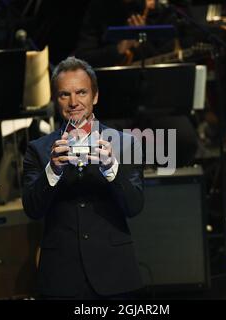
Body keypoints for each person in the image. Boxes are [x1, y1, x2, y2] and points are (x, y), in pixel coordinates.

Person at [22, 56, 144, 299]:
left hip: (115, 276)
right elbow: (33, 210)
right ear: (56, 100)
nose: (74, 102)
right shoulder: (38, 149)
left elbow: (134, 206)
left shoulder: (125, 144)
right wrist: (52, 172)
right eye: (64, 94)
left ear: (95, 96)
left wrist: (112, 170)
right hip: (60, 278)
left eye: (81, 92)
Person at [74, 0, 196, 68]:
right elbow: (84, 56)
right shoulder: (99, 8)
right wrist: (119, 49)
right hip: (110, 90)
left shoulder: (161, 10)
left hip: (155, 91)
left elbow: (167, 58)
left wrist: (141, 41)